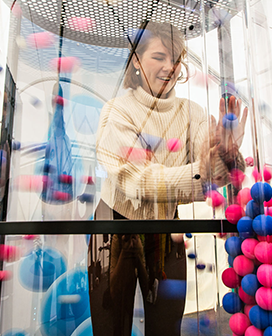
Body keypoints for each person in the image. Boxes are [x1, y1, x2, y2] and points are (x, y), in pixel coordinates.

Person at [88, 21, 247, 336]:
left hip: (166, 229)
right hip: (114, 228)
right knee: (111, 330)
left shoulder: (193, 112)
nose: (170, 67)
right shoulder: (116, 111)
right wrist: (205, 169)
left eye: (176, 59)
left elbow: (214, 175)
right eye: (159, 56)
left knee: (166, 329)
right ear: (136, 59)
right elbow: (137, 181)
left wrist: (226, 155)